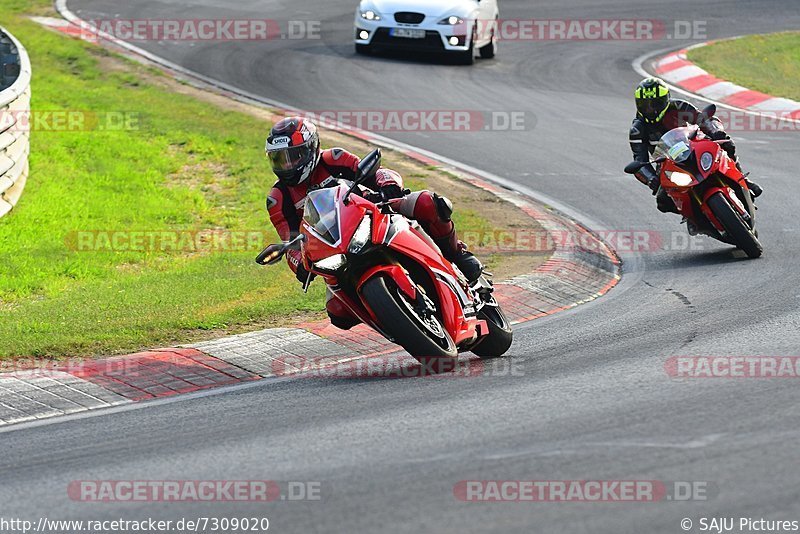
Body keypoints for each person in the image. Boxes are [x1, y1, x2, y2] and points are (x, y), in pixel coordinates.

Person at [265, 116, 483, 330]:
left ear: (311, 148)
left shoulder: (333, 158)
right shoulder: (278, 199)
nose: (287, 165)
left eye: (292, 157)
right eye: (279, 159)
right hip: (335, 247)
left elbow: (377, 172)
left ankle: (457, 255)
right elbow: (290, 242)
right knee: (337, 313)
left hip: (374, 212)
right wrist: (299, 264)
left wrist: (387, 185)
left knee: (427, 203)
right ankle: (393, 318)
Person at [629, 77, 762, 215]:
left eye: (656, 104)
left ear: (666, 99)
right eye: (646, 105)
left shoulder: (679, 107)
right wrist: (651, 178)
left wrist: (715, 132)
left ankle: (742, 179)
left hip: (693, 145)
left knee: (727, 144)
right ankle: (692, 216)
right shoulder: (637, 129)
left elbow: (701, 119)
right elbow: (639, 161)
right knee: (663, 202)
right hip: (667, 162)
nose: (651, 109)